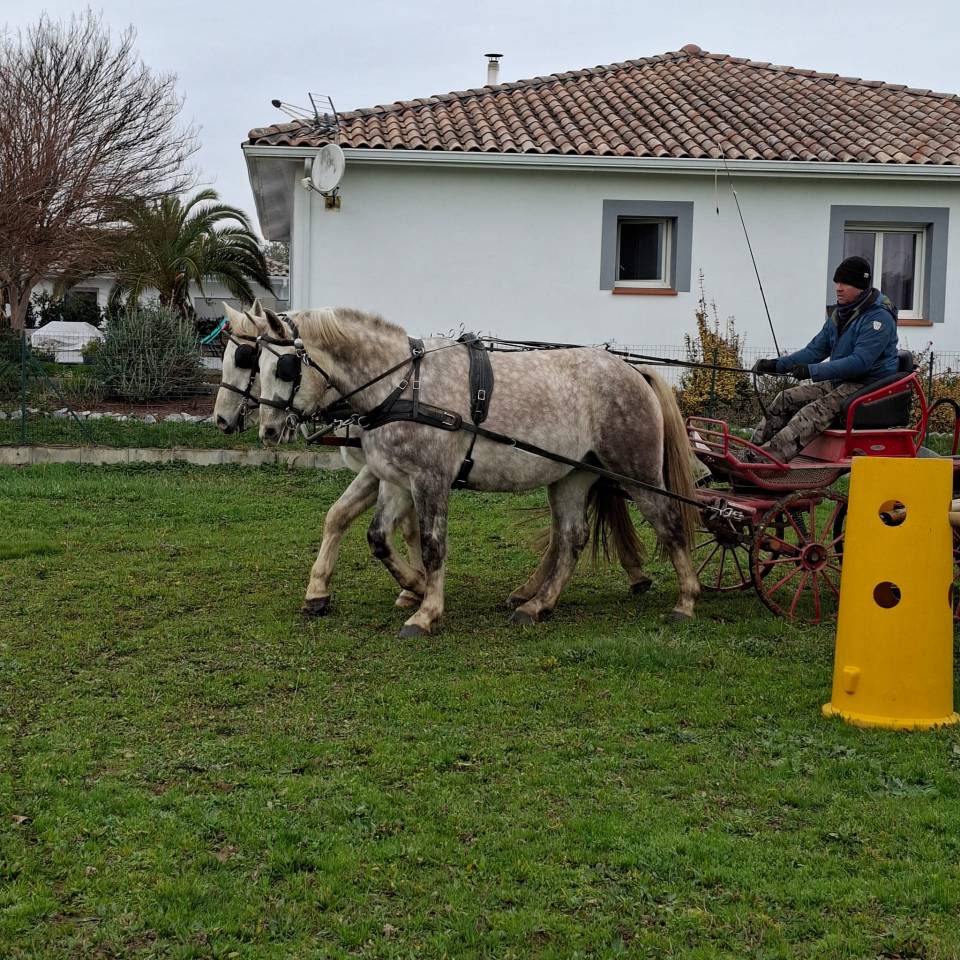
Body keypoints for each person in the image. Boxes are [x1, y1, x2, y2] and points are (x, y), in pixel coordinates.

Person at [749, 255, 899, 463]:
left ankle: (764, 462)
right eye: (837, 282)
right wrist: (777, 365)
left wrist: (811, 371)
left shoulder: (878, 318)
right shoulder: (840, 314)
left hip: (868, 386)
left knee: (812, 412)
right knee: (785, 398)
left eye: (845, 283)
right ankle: (751, 451)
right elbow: (814, 350)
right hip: (843, 382)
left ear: (860, 286)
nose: (838, 288)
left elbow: (860, 363)